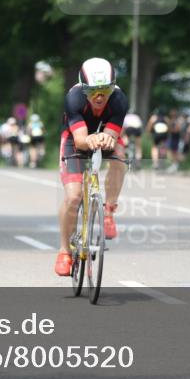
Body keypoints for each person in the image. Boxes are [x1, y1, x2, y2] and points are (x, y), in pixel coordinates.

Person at [55, 58, 128, 277]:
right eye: (93, 90)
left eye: (104, 90)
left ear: (112, 88)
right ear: (84, 89)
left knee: (120, 158)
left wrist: (106, 139)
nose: (99, 96)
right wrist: (91, 140)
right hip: (75, 139)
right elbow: (79, 140)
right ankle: (64, 251)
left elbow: (113, 135)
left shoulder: (119, 100)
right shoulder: (74, 98)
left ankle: (108, 211)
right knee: (74, 196)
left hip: (105, 135)